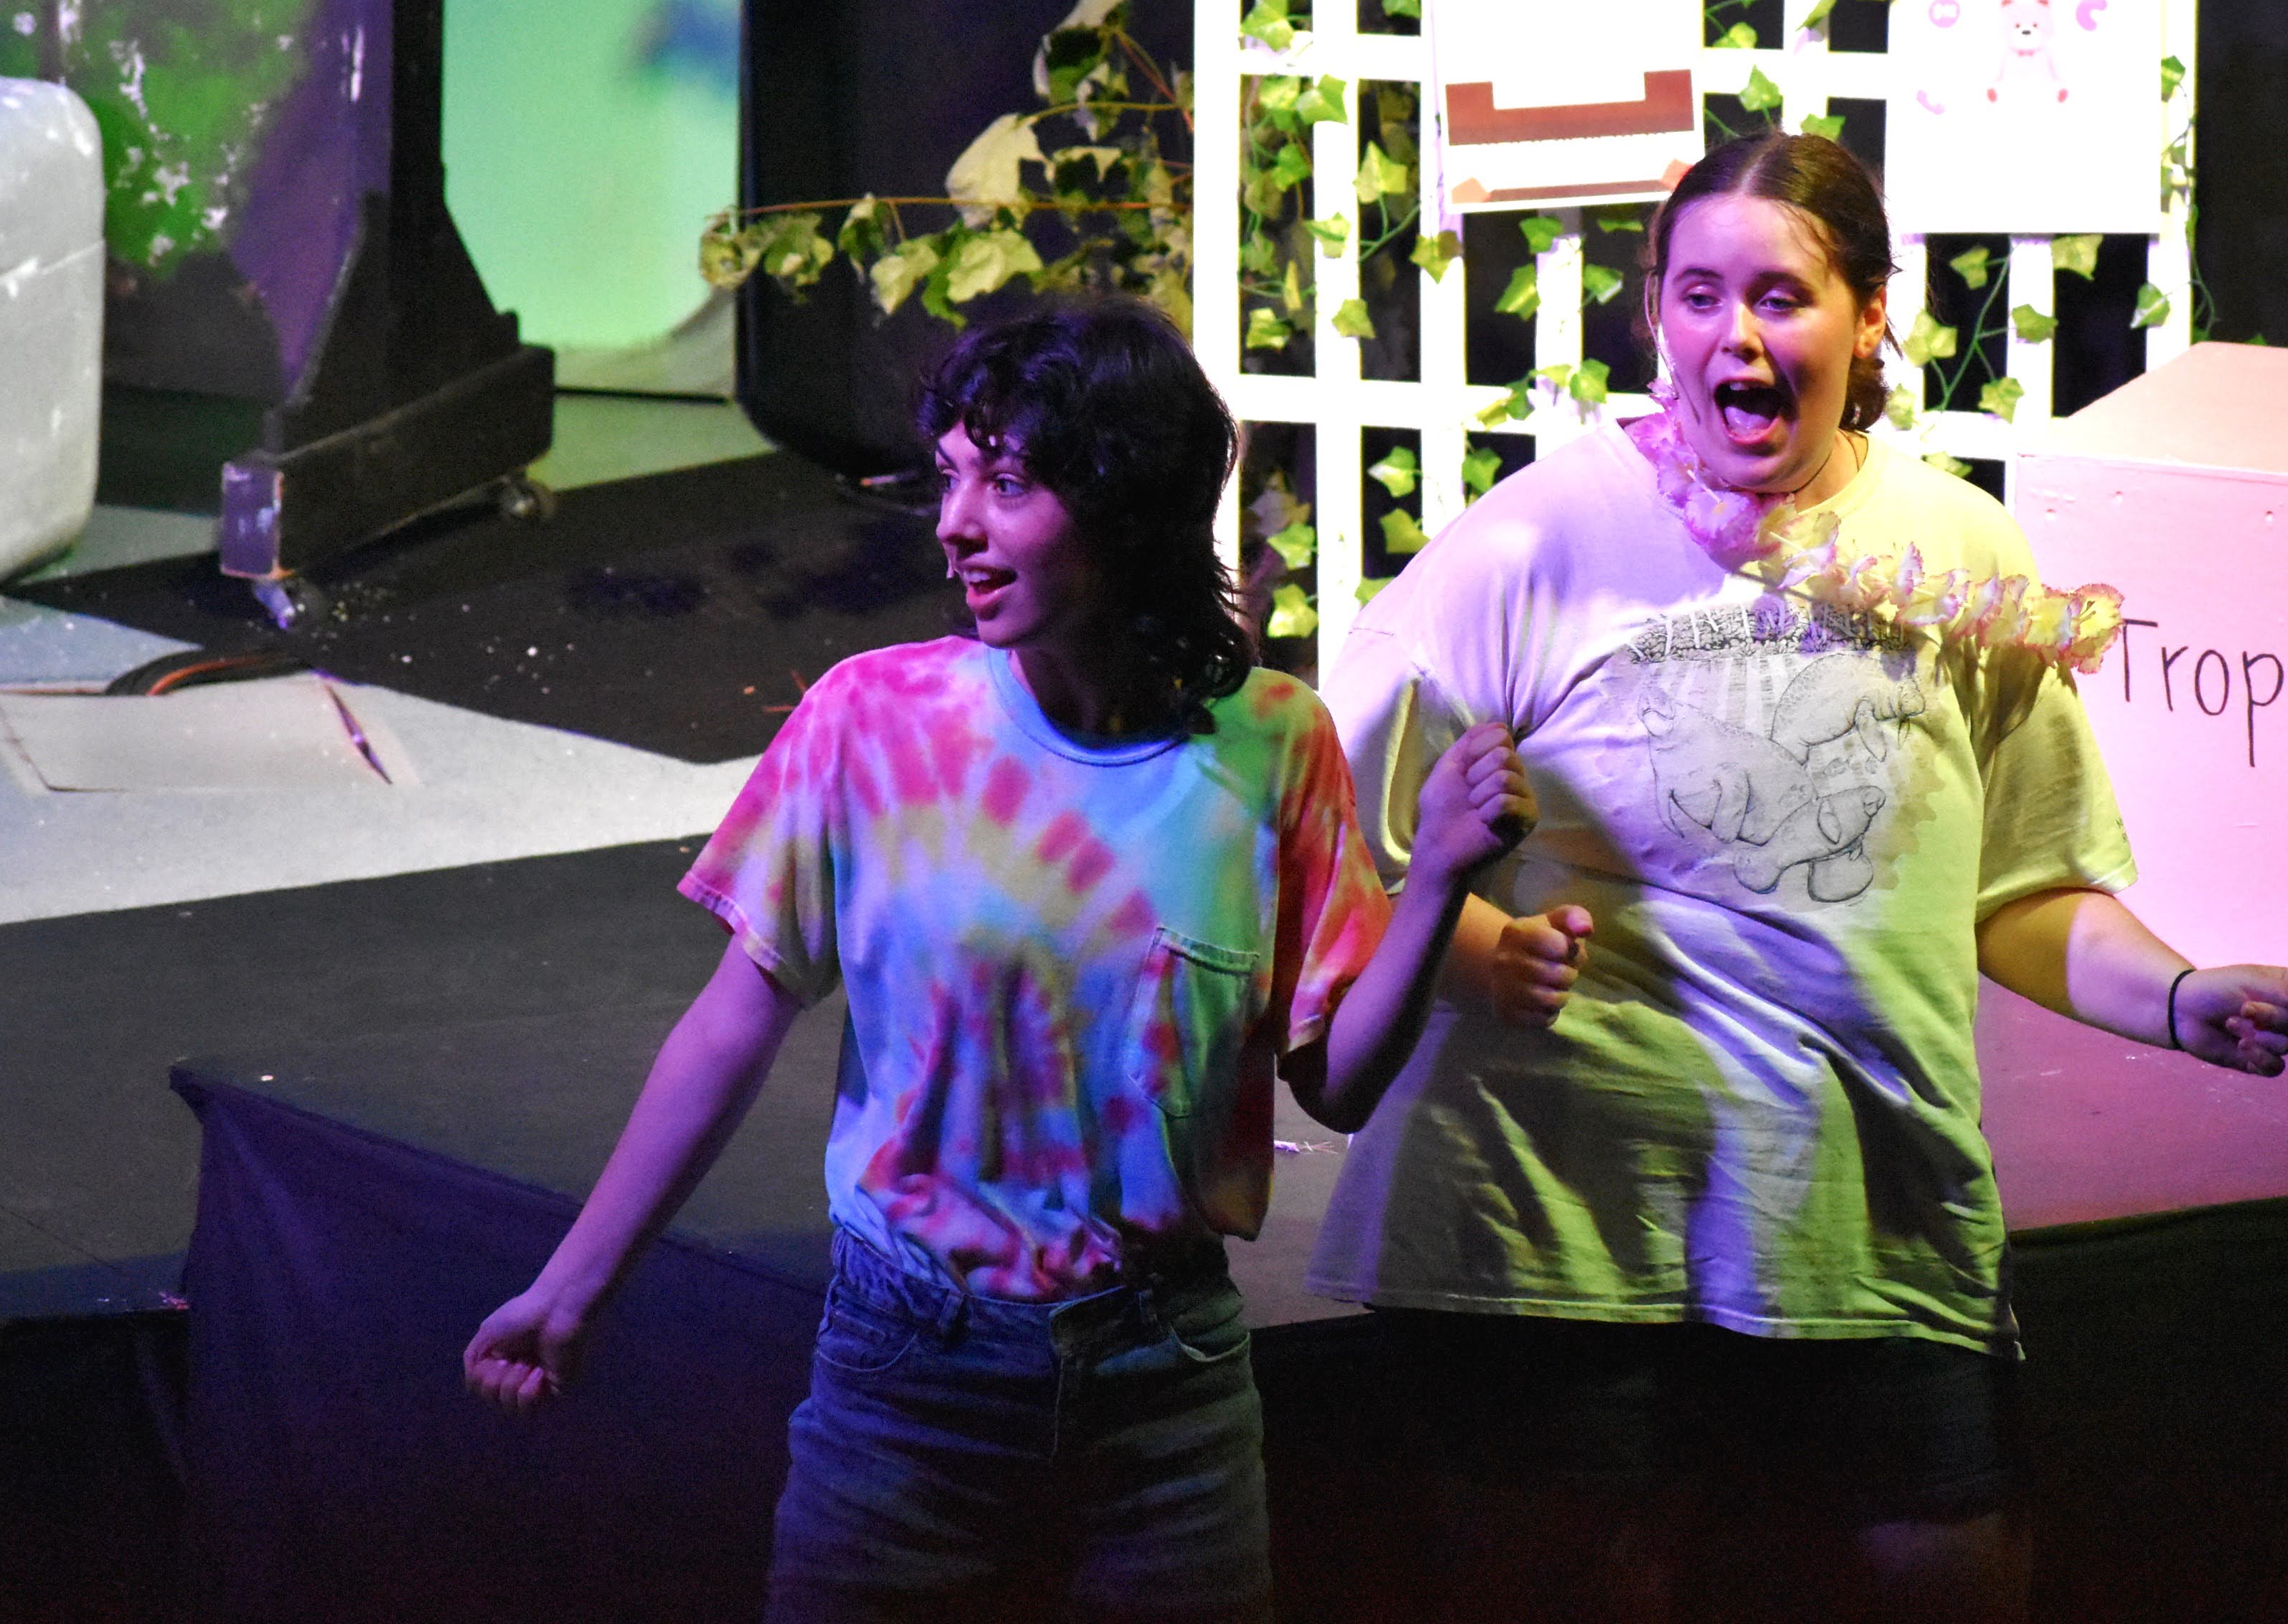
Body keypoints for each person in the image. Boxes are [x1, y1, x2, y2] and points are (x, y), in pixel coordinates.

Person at [1304, 133, 2288, 1624]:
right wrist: (1469, 942)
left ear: (1870, 318)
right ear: (1655, 314)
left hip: (1865, 1210)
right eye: (1699, 295)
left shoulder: (1957, 547)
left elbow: (2017, 887)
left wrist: (2178, 1000)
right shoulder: (1531, 543)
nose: (1737, 335)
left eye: (1780, 297)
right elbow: (1315, 831)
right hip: (1562, 1218)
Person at [463, 299, 1532, 1624]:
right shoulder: (872, 720)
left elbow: (1340, 1084)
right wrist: (572, 1289)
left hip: (1171, 1395)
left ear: (1129, 507)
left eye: (1009, 484)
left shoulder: (1273, 742)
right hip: (907, 1383)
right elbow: (732, 1023)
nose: (955, 524)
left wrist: (1438, 881)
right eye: (952, 476)